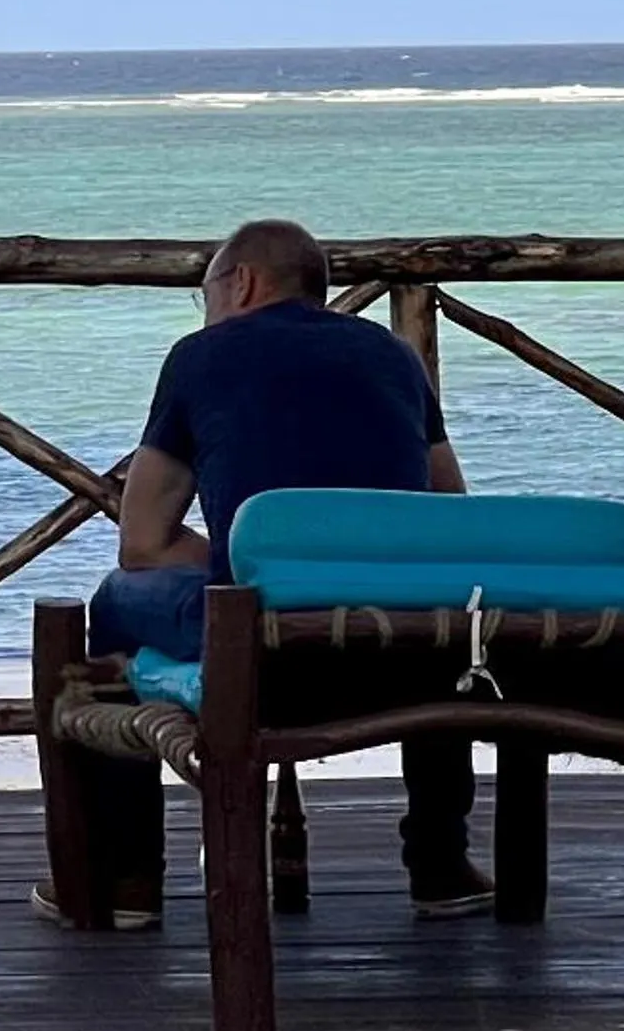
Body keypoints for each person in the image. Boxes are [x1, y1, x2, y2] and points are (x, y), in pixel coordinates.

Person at [41, 218, 490, 929]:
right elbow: (448, 514)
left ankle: (127, 876)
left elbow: (143, 542)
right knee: (428, 608)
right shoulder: (397, 354)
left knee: (116, 601)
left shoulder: (201, 357)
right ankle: (439, 862)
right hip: (403, 652)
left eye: (206, 291)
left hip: (263, 646)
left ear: (241, 281)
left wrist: (242, 560)